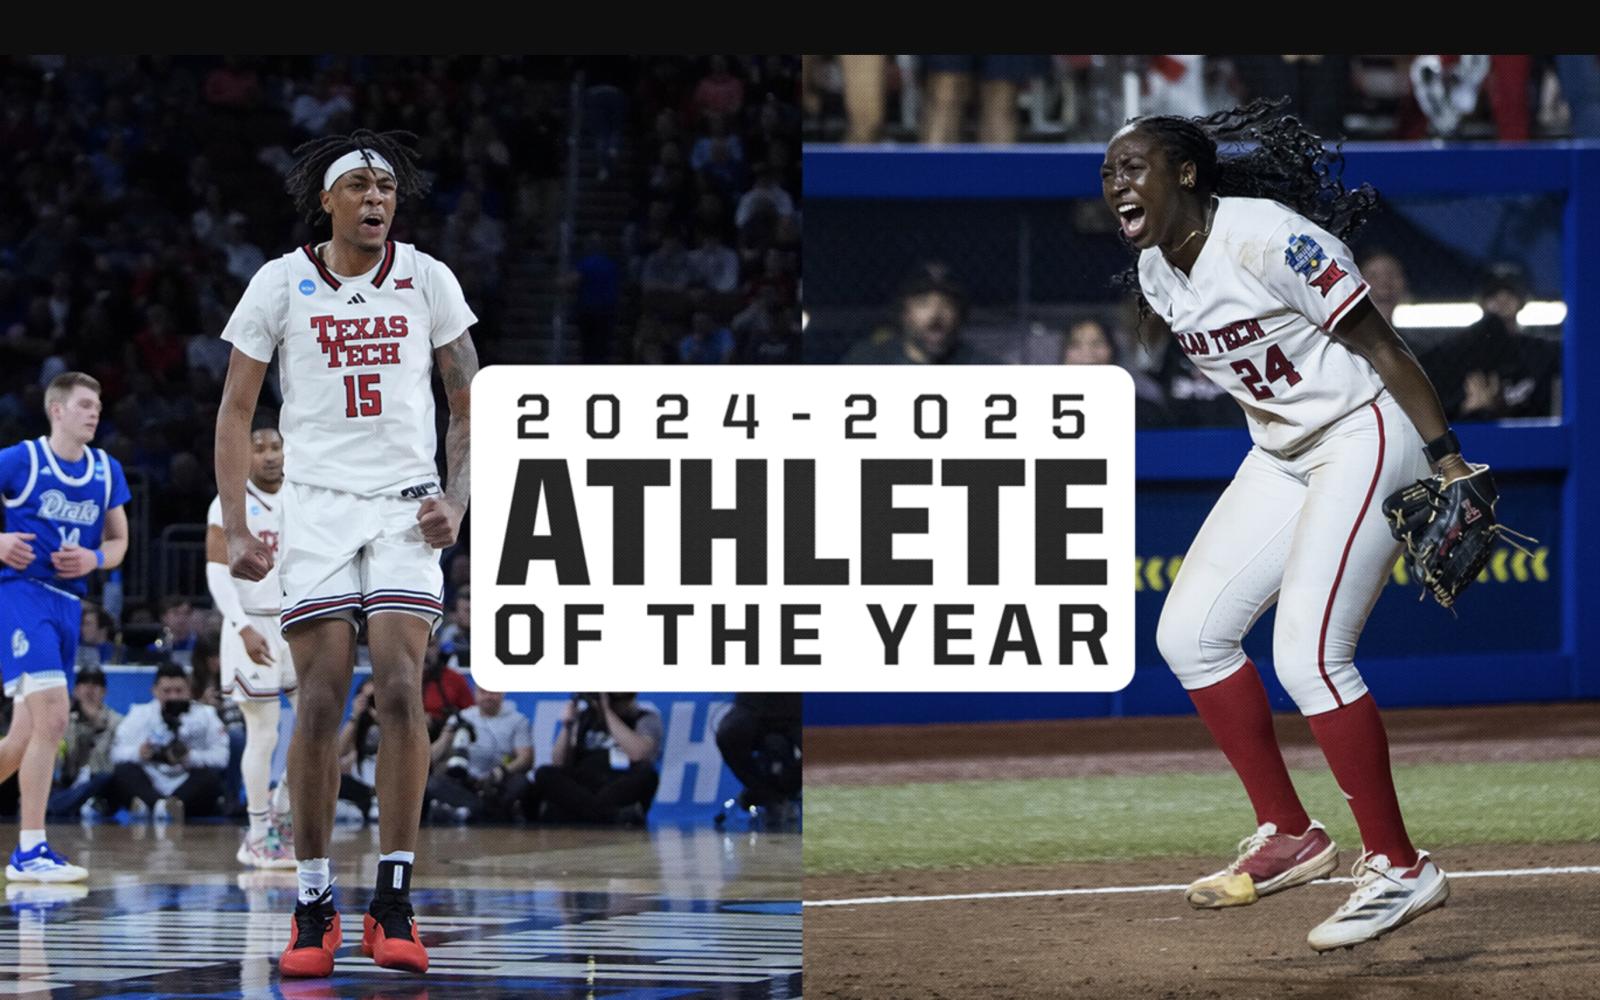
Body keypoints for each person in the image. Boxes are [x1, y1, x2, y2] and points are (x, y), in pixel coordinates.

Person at [1104, 98, 1470, 951]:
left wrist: (1446, 458)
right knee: (1189, 634)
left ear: (1185, 173)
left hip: (1363, 433)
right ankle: (1290, 834)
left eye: (1133, 166)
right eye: (1108, 172)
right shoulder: (1157, 269)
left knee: (1309, 655)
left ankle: (1400, 867)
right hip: (1280, 453)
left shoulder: (1271, 238)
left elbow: (1385, 348)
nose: (1117, 182)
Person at [215, 129, 478, 977]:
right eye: (361, 185)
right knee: (322, 694)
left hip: (404, 508)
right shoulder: (279, 282)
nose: (377, 199)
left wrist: (459, 500)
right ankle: (315, 900)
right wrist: (240, 525)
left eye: (388, 189)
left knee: (402, 686)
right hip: (319, 509)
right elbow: (233, 410)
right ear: (326, 200)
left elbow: (467, 401)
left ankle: (393, 898)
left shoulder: (428, 277)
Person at [0, 371, 131, 882]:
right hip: (21, 597)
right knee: (54, 718)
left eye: (97, 405)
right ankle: (29, 851)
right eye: (83, 404)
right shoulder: (23, 459)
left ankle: (31, 847)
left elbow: (120, 542)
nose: (93, 412)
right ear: (57, 410)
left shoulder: (104, 469)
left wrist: (95, 557)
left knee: (22, 738)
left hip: (69, 606)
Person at [206, 421, 296, 869]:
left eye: (276, 446)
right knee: (264, 733)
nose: (269, 455)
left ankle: (282, 813)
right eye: (258, 448)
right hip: (252, 623)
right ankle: (258, 833)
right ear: (243, 456)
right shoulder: (230, 503)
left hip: (299, 623)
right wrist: (241, 626)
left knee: (317, 727)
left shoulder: (305, 496)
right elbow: (217, 571)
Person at [107, 659, 231, 820]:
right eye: (167, 691)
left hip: (187, 782)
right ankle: (160, 806)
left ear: (189, 691)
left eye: (179, 691)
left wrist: (190, 757)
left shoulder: (205, 715)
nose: (173, 697)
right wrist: (139, 752)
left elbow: (222, 757)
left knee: (211, 778)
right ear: (155, 691)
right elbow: (116, 753)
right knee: (123, 771)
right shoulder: (139, 714)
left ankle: (157, 806)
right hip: (150, 778)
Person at [527, 693, 662, 826]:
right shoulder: (584, 717)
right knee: (544, 773)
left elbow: (639, 754)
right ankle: (612, 815)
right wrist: (567, 727)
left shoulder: (646, 718)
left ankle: (589, 813)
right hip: (585, 783)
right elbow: (559, 762)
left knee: (647, 774)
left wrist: (607, 712)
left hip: (618, 784)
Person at [841, 262, 992, 365]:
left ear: (960, 315)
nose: (935, 315)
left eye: (947, 305)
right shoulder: (868, 361)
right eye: (923, 304)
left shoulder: (982, 367)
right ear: (904, 313)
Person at [424, 687, 533, 824]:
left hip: (497, 780)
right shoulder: (462, 717)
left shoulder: (517, 720)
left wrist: (503, 770)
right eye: (483, 692)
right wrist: (446, 737)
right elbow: (430, 759)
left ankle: (471, 812)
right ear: (476, 694)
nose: (488, 697)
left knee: (521, 782)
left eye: (492, 693)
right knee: (432, 783)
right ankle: (477, 810)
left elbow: (525, 758)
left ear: (502, 693)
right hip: (464, 779)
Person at [46, 666, 122, 819]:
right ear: (76, 691)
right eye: (84, 684)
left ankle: (78, 805)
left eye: (96, 685)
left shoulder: (117, 722)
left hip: (102, 785)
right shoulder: (64, 721)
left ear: (104, 692)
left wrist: (97, 726)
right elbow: (57, 763)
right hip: (71, 784)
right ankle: (80, 806)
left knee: (103, 779)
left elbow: (111, 765)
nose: (89, 689)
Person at [714, 693, 801, 824]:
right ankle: (766, 793)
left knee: (824, 745)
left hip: (798, 709)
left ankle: (782, 790)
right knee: (728, 734)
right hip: (752, 706)